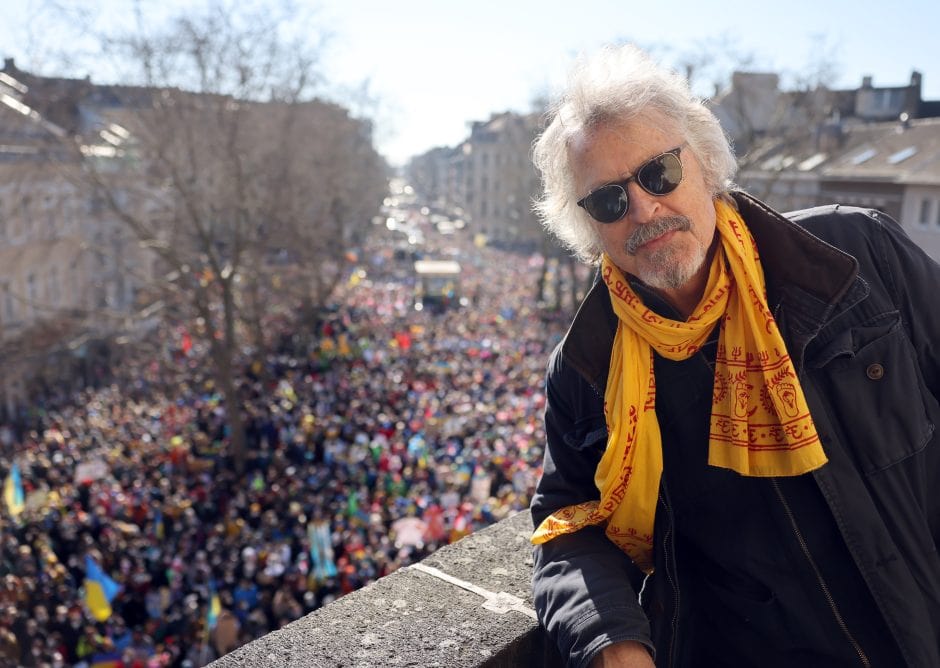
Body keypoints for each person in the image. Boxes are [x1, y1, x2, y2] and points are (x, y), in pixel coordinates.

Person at [528, 44, 940, 668]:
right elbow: (568, 522)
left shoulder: (857, 256)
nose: (643, 207)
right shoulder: (587, 367)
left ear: (707, 161)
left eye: (659, 172)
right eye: (608, 201)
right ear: (588, 227)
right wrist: (610, 638)